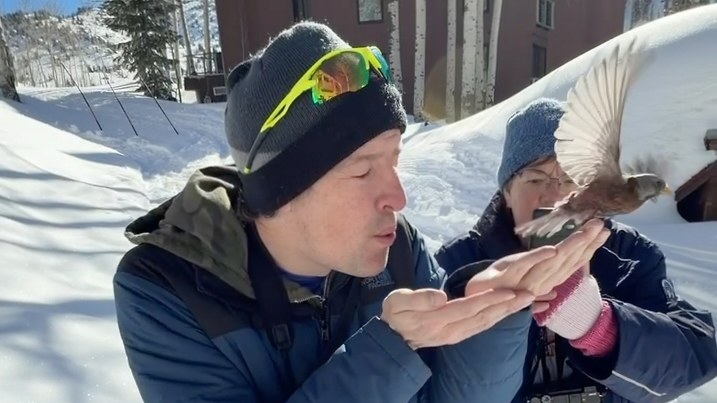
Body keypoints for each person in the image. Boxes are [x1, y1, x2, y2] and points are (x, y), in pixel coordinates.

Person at [112, 23, 608, 403]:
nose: (398, 197)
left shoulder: (400, 249)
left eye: (394, 161)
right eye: (361, 169)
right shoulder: (168, 290)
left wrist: (492, 315)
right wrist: (387, 351)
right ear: (282, 189)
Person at [435, 97, 717, 403]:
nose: (555, 197)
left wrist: (596, 325)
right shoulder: (459, 265)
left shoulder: (630, 258)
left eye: (569, 179)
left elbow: (693, 359)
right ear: (507, 193)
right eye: (535, 179)